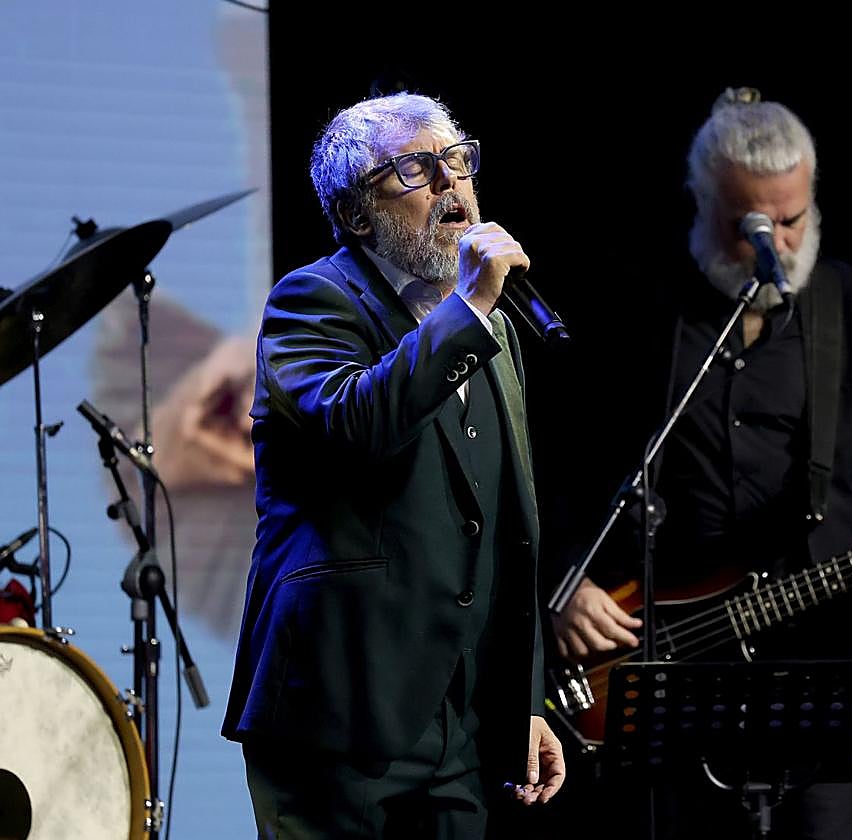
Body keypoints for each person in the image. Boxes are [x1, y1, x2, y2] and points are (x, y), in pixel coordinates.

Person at [551, 88, 852, 839]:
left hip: (818, 663)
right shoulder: (639, 307)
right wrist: (568, 583)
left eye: (793, 218)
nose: (778, 241)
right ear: (702, 204)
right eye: (751, 225)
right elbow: (571, 463)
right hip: (667, 672)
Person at [222, 92, 564, 838]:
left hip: (459, 725)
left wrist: (525, 699)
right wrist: (467, 309)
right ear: (355, 214)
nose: (451, 186)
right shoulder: (313, 301)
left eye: (457, 162)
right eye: (415, 170)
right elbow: (357, 423)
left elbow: (510, 526)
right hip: (335, 712)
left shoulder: (493, 328)